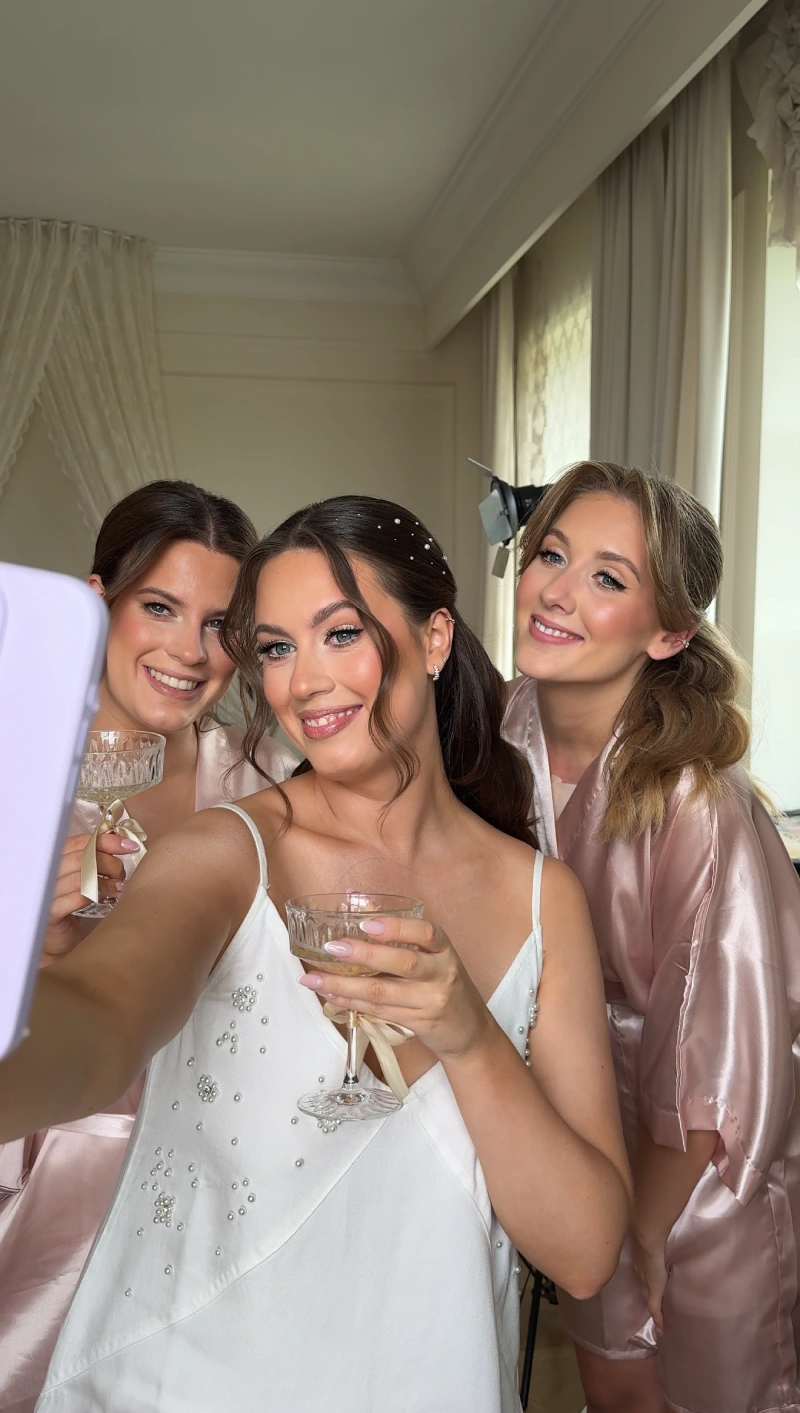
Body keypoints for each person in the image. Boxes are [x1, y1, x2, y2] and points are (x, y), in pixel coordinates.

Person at [0, 495, 629, 1413]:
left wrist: (468, 1034)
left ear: (435, 637)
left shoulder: (545, 900)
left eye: (340, 634)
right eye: (276, 648)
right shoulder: (225, 851)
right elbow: (104, 1016)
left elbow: (585, 1252)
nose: (302, 682)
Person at [504, 460, 800, 1413]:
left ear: (668, 632)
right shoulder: (496, 736)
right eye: (551, 554)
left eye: (607, 576)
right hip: (580, 1139)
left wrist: (642, 1226)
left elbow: (721, 1059)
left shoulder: (692, 800)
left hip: (703, 1173)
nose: (557, 590)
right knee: (614, 1394)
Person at [0, 480, 296, 1413]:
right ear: (97, 601)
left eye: (218, 625)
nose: (188, 651)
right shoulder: (13, 758)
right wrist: (35, 947)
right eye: (159, 608)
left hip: (196, 1174)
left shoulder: (258, 777)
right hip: (29, 1155)